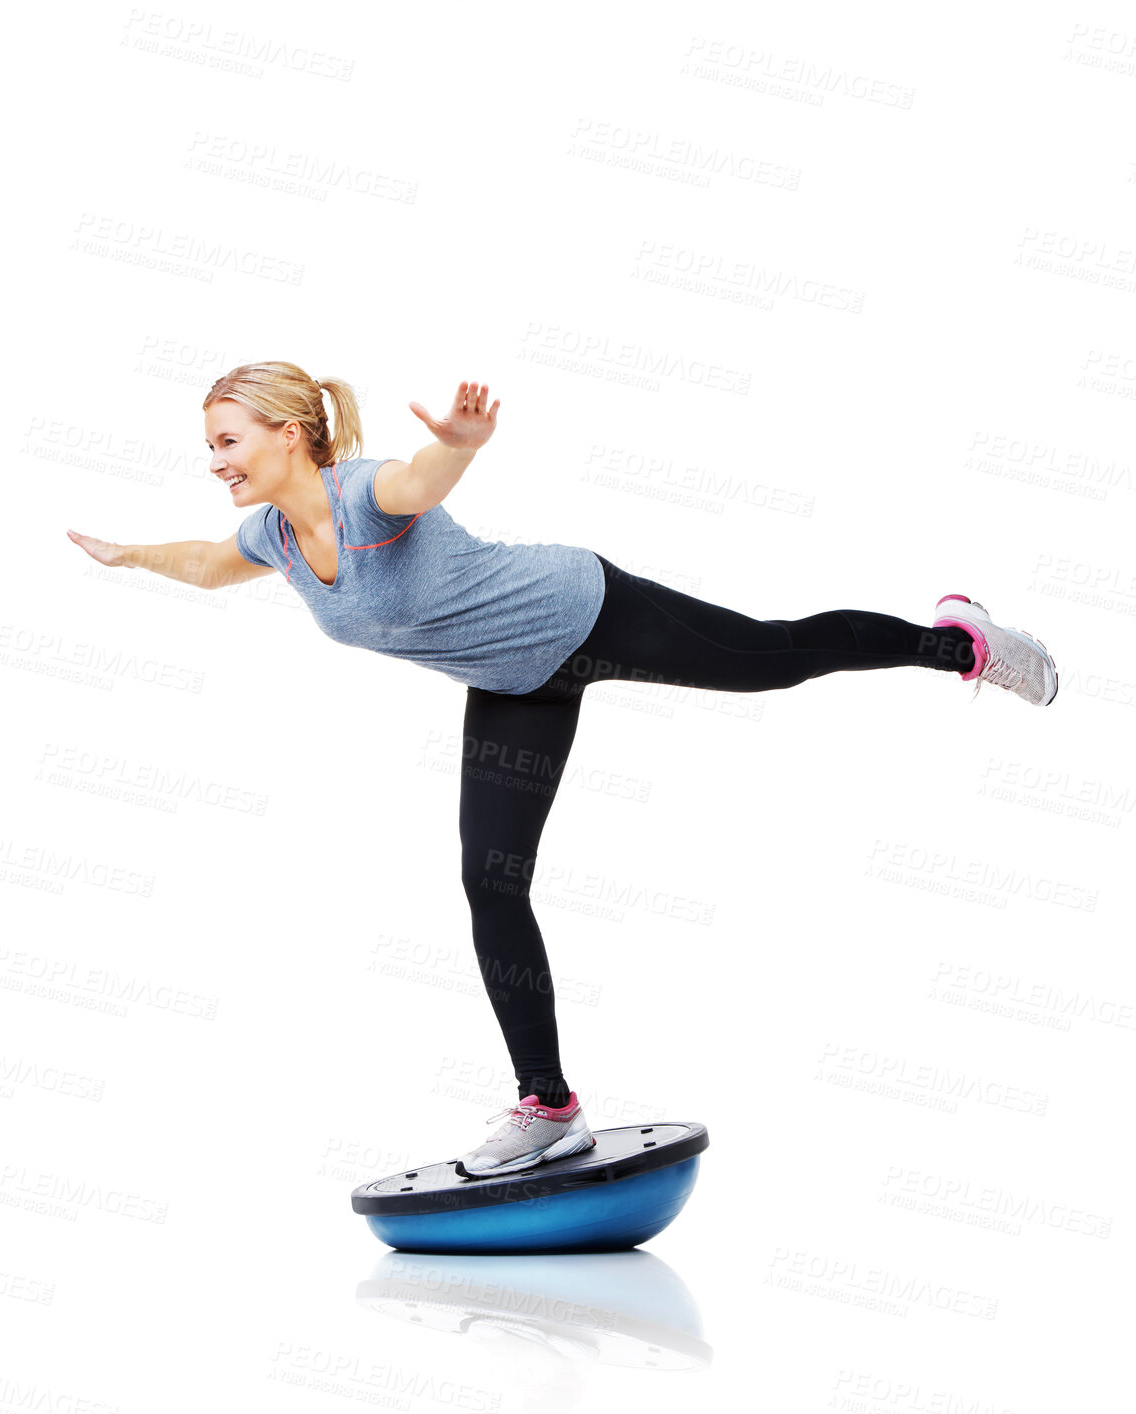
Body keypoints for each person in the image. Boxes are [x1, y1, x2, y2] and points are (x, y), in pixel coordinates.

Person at [68, 361, 1059, 1180]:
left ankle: (961, 644)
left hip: (580, 610)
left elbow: (421, 480)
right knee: (489, 880)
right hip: (512, 682)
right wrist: (128, 556)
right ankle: (546, 1104)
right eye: (211, 445)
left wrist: (457, 441)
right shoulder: (273, 538)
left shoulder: (363, 490)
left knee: (774, 657)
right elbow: (206, 560)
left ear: (291, 433)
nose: (215, 462)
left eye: (228, 440)